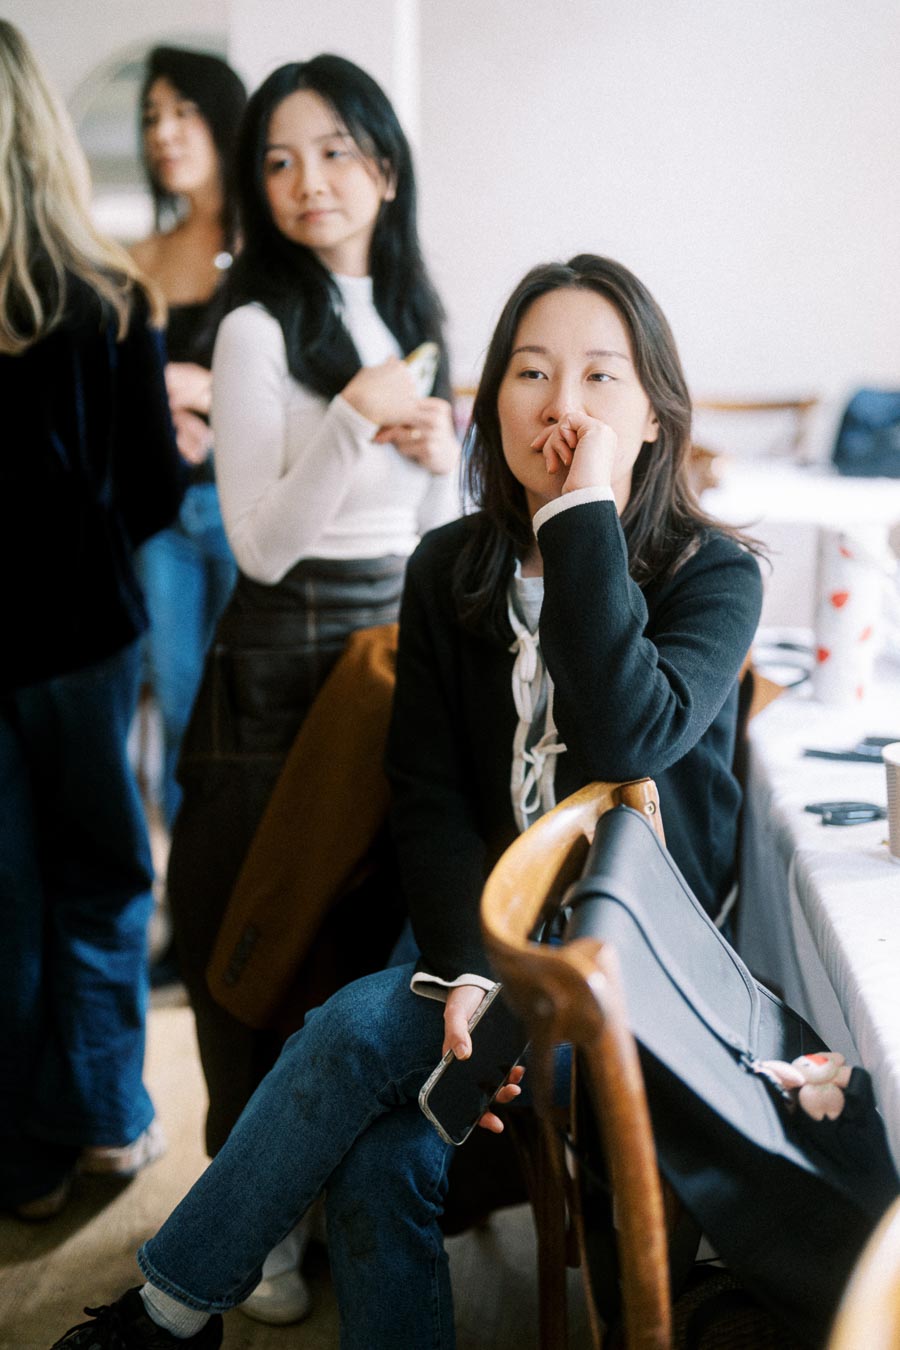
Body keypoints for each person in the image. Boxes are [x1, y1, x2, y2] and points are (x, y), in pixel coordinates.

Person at [50, 252, 764, 1350]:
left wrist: (583, 515)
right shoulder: (449, 569)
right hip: (475, 929)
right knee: (383, 1163)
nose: (561, 405)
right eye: (530, 372)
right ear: (491, 401)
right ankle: (176, 1314)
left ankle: (167, 1314)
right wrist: (468, 965)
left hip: (620, 968)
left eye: (599, 378)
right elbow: (425, 797)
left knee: (349, 1027)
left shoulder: (714, 575)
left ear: (657, 418)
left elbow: (625, 736)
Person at [163, 53, 459, 1322]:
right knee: (259, 930)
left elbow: (420, 524)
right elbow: (263, 545)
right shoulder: (250, 322)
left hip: (391, 651)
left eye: (334, 151)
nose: (307, 182)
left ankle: (320, 1190)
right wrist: (355, 414)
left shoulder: (408, 304)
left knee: (357, 936)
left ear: (385, 167)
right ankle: (255, 1233)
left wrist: (439, 447)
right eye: (279, 160)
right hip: (279, 662)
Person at [0, 21, 182, 1220]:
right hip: (81, 639)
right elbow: (159, 490)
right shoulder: (110, 295)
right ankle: (109, 1118)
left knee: (5, 892)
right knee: (105, 873)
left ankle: (18, 1154)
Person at [131, 47, 246, 831]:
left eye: (181, 112)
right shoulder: (139, 258)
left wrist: (214, 390)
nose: (163, 133)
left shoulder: (270, 252)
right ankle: (190, 897)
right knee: (176, 705)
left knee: (250, 708)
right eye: (150, 117)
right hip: (162, 516)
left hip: (248, 511)